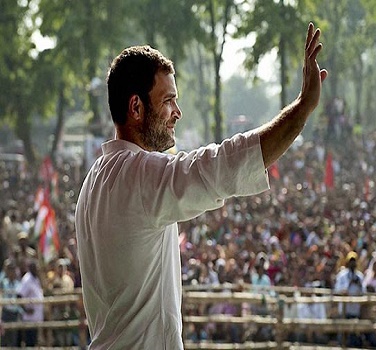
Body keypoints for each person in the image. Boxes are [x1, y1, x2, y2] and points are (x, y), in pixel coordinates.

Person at [75, 22, 327, 349]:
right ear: (136, 107)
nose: (177, 112)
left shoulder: (94, 180)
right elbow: (219, 166)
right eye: (167, 101)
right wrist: (302, 109)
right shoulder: (140, 177)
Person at [334, 251, 366, 347]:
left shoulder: (360, 276)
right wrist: (350, 284)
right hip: (344, 311)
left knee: (354, 338)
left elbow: (363, 292)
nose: (352, 263)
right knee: (343, 336)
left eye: (354, 261)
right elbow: (338, 290)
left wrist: (358, 285)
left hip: (355, 311)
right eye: (351, 261)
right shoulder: (342, 276)